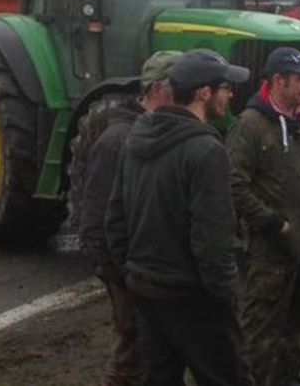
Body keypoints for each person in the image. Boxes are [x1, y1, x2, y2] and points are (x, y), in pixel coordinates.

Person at [106, 48, 253, 386]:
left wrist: (134, 273)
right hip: (193, 297)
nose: (230, 95)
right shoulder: (206, 150)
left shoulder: (136, 138)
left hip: (147, 292)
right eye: (225, 88)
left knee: (159, 378)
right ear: (204, 93)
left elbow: (115, 220)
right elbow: (212, 239)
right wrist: (225, 294)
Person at [225, 47, 300, 386]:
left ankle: (288, 379)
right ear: (277, 81)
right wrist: (272, 223)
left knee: (295, 325)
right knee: (260, 329)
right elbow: (234, 184)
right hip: (271, 251)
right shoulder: (250, 126)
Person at [79, 50, 181, 386]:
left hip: (148, 268)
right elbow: (94, 221)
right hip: (128, 273)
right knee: (131, 352)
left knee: (154, 352)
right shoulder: (117, 142)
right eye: (181, 88)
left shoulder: (156, 132)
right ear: (158, 90)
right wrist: (121, 275)